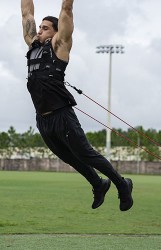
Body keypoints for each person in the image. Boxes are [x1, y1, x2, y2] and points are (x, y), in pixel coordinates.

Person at [21, 0, 133, 211]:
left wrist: (66, 7)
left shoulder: (59, 45)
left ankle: (122, 185)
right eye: (39, 28)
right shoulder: (32, 46)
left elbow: (66, 9)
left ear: (55, 33)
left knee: (86, 154)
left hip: (62, 114)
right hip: (42, 118)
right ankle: (98, 184)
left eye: (45, 28)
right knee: (69, 158)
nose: (39, 31)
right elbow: (26, 12)